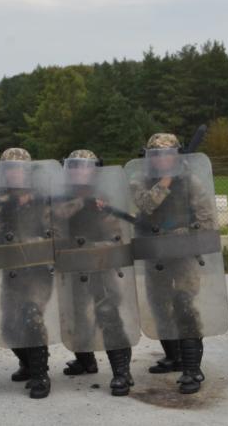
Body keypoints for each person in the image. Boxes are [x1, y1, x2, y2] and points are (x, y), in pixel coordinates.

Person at [129, 133, 219, 395]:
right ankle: (173, 357)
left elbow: (207, 219)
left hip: (182, 254)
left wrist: (188, 235)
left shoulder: (190, 182)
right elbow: (146, 205)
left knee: (184, 305)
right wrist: (168, 179)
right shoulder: (139, 181)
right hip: (155, 254)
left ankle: (192, 368)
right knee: (159, 305)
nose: (162, 160)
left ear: (176, 155)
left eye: (168, 155)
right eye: (156, 155)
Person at [53, 150, 137, 396]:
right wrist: (81, 201)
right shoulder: (63, 198)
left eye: (86, 167)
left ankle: (122, 372)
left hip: (100, 266)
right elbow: (56, 220)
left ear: (95, 171)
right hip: (72, 266)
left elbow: (118, 234)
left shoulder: (106, 197)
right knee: (76, 315)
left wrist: (99, 207)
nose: (80, 171)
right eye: (75, 166)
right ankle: (85, 360)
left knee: (108, 312)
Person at [0, 148, 55, 399]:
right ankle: (27, 364)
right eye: (9, 170)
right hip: (11, 272)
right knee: (8, 327)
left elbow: (56, 232)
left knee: (31, 315)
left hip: (37, 272)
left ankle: (40, 375)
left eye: (19, 170)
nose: (14, 175)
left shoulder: (43, 200)